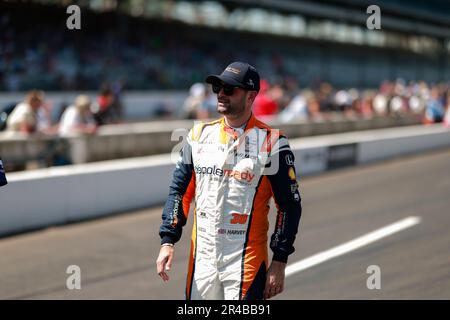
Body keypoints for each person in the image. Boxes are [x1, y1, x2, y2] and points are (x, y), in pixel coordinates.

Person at [156, 62, 302, 300]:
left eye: (230, 89)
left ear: (251, 96)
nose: (221, 94)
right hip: (202, 258)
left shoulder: (273, 142)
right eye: (218, 87)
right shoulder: (198, 136)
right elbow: (179, 191)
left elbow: (289, 205)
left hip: (246, 259)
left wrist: (279, 260)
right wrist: (168, 240)